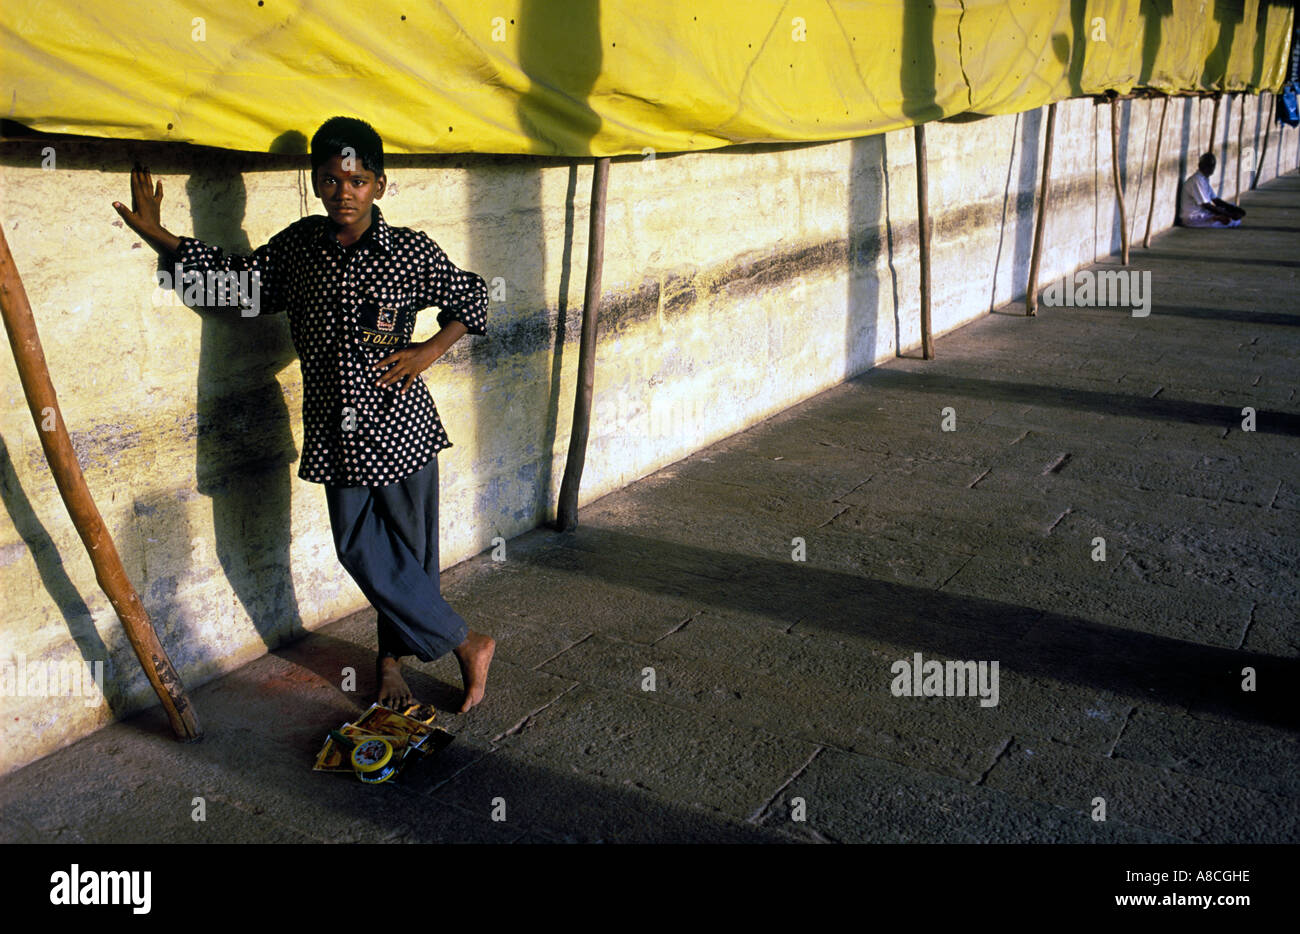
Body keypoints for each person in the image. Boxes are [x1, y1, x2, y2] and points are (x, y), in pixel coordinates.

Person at [112, 116, 496, 713]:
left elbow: (473, 297)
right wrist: (162, 237)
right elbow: (240, 284)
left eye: (358, 180)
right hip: (334, 428)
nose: (344, 193)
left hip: (402, 427)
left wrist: (427, 352)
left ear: (380, 185)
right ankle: (467, 642)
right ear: (317, 184)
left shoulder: (411, 251)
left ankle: (389, 663)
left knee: (409, 557)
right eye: (330, 181)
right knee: (358, 549)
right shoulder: (298, 247)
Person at [1179, 153, 1246, 227]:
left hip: (1203, 213)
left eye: (1212, 166)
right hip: (1193, 218)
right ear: (1200, 166)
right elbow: (1206, 205)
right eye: (1207, 166)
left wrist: (1233, 209)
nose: (1210, 168)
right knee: (1233, 222)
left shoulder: (1204, 179)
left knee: (1232, 208)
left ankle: (1217, 218)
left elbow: (1216, 200)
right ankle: (1216, 219)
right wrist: (1229, 214)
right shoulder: (1196, 180)